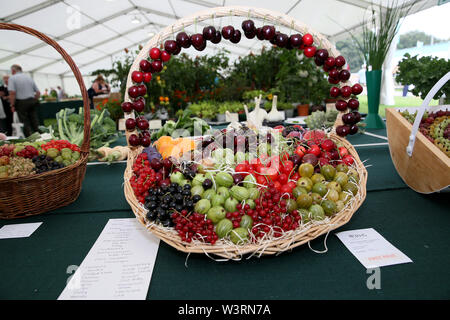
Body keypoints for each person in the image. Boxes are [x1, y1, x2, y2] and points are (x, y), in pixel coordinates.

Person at [8, 64, 41, 137]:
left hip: (21, 102)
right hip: (31, 100)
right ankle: (39, 135)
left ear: (13, 70)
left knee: (24, 121)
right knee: (34, 119)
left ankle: (29, 136)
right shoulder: (28, 77)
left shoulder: (12, 78)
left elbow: (12, 93)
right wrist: (34, 99)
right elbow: (38, 92)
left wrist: (12, 105)